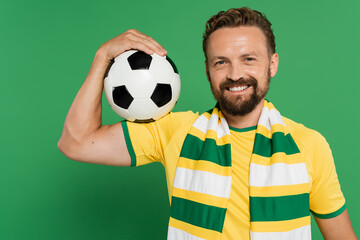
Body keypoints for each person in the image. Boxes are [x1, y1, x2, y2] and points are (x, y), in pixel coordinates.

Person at [58, 7, 357, 240]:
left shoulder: (309, 145)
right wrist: (102, 57)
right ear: (207, 70)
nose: (235, 73)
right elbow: (76, 142)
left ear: (272, 64)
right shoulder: (175, 131)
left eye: (249, 59)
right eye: (221, 62)